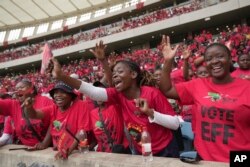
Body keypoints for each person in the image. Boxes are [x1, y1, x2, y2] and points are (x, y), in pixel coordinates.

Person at [49, 41, 180, 157]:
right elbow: (93, 92)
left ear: (133, 74)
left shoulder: (152, 93)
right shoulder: (118, 95)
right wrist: (62, 76)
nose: (115, 75)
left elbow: (175, 124)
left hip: (165, 150)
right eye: (114, 73)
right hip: (142, 152)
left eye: (120, 72)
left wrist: (150, 113)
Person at [159, 35, 250, 162]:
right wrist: (168, 61)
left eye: (220, 56)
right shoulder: (198, 84)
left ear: (230, 59)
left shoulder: (247, 87)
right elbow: (167, 90)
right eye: (209, 59)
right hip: (204, 159)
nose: (214, 61)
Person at [23, 81, 95, 159]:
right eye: (56, 92)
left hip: (76, 152)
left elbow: (81, 133)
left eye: (62, 92)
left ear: (71, 95)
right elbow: (34, 115)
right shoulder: (54, 108)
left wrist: (67, 150)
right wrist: (29, 107)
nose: (58, 95)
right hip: (58, 151)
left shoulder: (81, 105)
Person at [0, 79, 53, 147]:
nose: (18, 90)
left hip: (47, 149)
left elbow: (55, 122)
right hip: (27, 150)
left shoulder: (45, 101)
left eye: (21, 87)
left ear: (32, 89)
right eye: (16, 88)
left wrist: (45, 143)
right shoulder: (13, 104)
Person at [90, 81, 129, 153]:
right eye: (96, 94)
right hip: (102, 153)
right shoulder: (92, 113)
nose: (98, 96)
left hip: (120, 151)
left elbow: (115, 91)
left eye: (101, 93)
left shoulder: (115, 107)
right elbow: (94, 137)